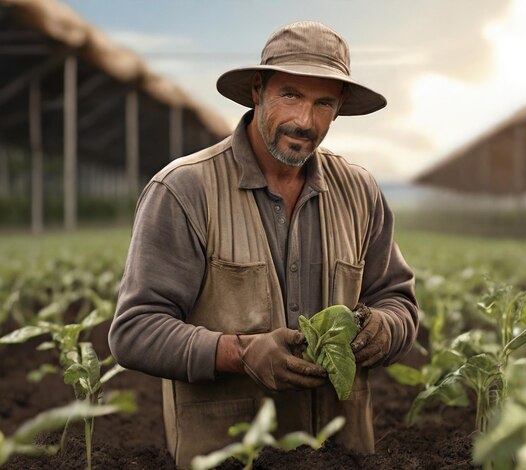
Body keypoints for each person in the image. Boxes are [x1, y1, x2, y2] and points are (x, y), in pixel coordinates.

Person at [109, 20, 419, 468]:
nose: (305, 121)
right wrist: (240, 353)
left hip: (340, 454)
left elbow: (399, 302)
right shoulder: (184, 190)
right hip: (230, 456)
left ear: (340, 106)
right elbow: (134, 330)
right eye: (290, 94)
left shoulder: (360, 190)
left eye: (324, 103)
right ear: (258, 90)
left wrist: (384, 330)